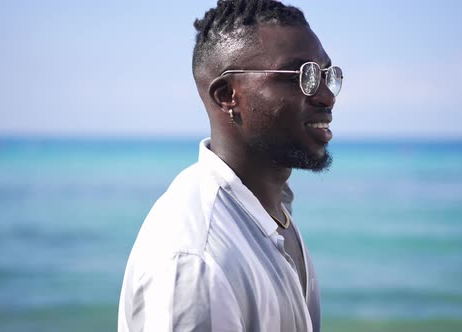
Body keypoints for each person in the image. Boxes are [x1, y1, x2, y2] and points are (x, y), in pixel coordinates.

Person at [118, 0, 343, 331]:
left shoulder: (269, 211)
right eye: (302, 75)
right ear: (227, 96)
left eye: (326, 74)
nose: (326, 95)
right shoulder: (198, 260)